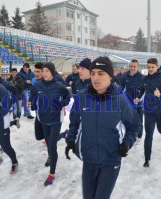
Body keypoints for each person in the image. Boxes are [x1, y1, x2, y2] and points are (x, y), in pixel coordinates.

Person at [65, 57, 140, 199]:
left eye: (100, 73)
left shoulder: (120, 100)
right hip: (89, 159)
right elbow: (74, 122)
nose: (95, 78)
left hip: (111, 159)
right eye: (92, 73)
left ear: (110, 76)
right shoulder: (81, 97)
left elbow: (134, 125)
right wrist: (70, 140)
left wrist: (127, 143)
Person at [30, 62, 70, 186]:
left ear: (52, 72)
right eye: (43, 71)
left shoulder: (59, 86)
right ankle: (63, 135)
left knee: (52, 146)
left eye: (47, 71)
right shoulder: (37, 86)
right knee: (49, 144)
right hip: (43, 120)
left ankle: (51, 173)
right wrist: (32, 103)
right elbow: (33, 98)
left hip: (56, 120)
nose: (44, 73)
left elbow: (67, 97)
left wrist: (61, 103)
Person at [135, 58, 161, 167]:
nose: (150, 69)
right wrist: (138, 98)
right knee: (149, 134)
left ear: (157, 67)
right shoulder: (145, 79)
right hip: (148, 111)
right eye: (148, 67)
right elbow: (142, 89)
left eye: (152, 67)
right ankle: (147, 159)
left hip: (160, 111)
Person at [120, 59, 144, 139]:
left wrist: (139, 98)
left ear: (137, 67)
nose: (132, 68)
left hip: (139, 104)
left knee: (139, 120)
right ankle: (129, 135)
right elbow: (120, 90)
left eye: (134, 66)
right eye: (131, 66)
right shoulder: (124, 77)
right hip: (128, 104)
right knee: (128, 120)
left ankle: (139, 134)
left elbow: (145, 91)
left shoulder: (142, 77)